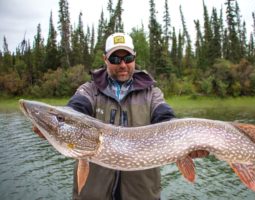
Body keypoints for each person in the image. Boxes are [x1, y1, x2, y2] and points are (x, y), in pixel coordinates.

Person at [35, 32, 175, 200]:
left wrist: (187, 143)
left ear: (134, 58)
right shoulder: (89, 90)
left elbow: (166, 119)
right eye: (115, 59)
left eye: (128, 58)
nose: (123, 64)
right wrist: (55, 125)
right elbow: (75, 110)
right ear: (105, 59)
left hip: (141, 193)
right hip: (94, 194)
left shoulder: (152, 94)